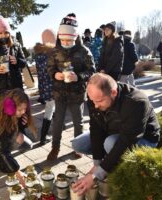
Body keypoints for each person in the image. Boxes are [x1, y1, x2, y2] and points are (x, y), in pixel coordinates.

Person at [71, 73, 160, 195]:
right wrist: (97, 165)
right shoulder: (95, 98)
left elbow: (126, 142)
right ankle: (110, 162)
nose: (95, 105)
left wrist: (97, 174)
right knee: (78, 144)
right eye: (92, 101)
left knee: (111, 143)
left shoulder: (136, 102)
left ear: (113, 93)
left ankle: (118, 171)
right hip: (115, 132)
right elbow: (96, 129)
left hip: (143, 139)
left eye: (99, 101)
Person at [46, 13, 95, 160]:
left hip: (77, 93)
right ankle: (55, 147)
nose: (66, 43)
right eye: (63, 40)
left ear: (76, 37)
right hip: (59, 93)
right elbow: (49, 68)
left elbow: (91, 70)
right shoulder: (54, 51)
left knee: (78, 121)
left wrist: (78, 76)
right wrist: (55, 75)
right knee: (58, 121)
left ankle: (78, 147)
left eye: (69, 40)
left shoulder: (84, 51)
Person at [0, 88, 36, 186]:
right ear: (10, 108)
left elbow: (17, 125)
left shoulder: (18, 113)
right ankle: (0, 162)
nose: (23, 112)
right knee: (3, 153)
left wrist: (23, 125)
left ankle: (7, 157)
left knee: (27, 144)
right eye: (20, 110)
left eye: (25, 109)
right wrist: (17, 171)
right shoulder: (0, 122)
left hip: (7, 132)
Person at [0, 16, 27, 100]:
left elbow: (24, 62)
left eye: (6, 32)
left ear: (9, 32)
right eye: (0, 33)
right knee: (5, 111)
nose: (3, 35)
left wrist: (17, 61)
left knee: (17, 111)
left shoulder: (16, 44)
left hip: (16, 86)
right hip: (0, 87)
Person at [34, 29, 57, 145]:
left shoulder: (39, 54)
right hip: (53, 87)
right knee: (50, 110)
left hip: (45, 87)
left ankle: (57, 128)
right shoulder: (51, 54)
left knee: (53, 108)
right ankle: (43, 137)